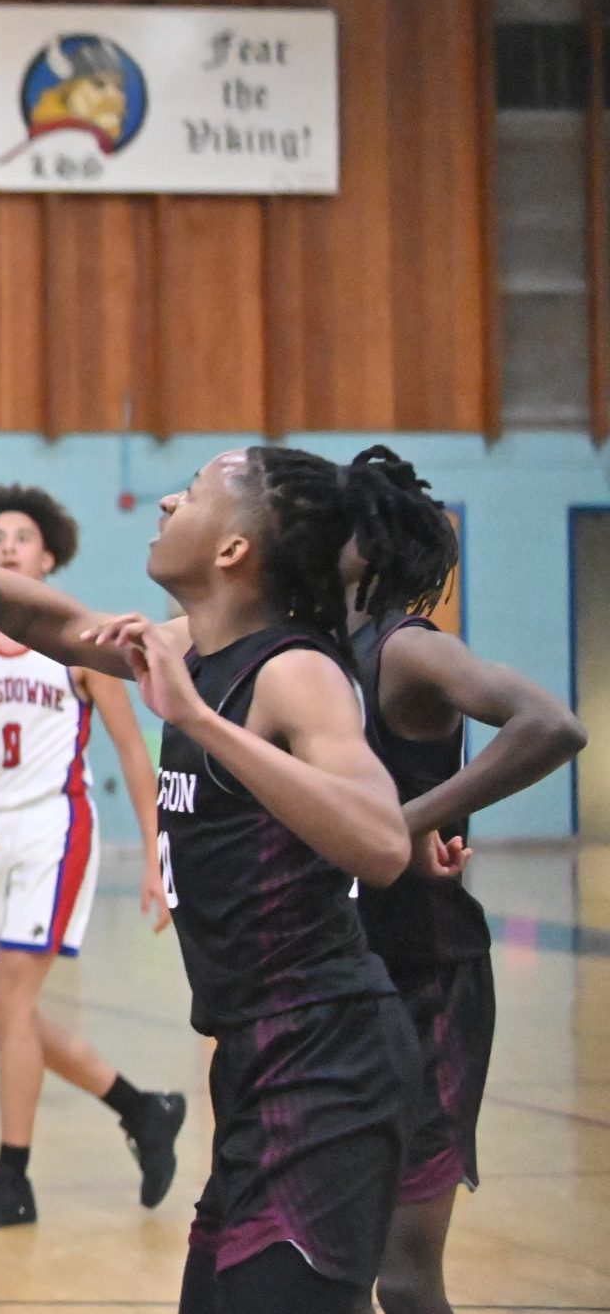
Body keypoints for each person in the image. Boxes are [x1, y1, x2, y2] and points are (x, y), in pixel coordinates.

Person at [0, 446, 420, 1314]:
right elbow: (50, 621)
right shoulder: (187, 644)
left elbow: (381, 840)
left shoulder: (295, 671)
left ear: (234, 551)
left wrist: (200, 723)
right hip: (255, 1062)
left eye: (201, 490)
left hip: (332, 1066)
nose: (172, 497)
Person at [339, 447, 584, 1314]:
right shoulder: (321, 653)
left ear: (366, 543)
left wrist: (404, 821)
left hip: (424, 976)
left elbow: (549, 724)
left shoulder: (405, 650)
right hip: (341, 979)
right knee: (335, 1263)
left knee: (403, 1276)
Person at [0, 485, 183, 1230]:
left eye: (21, 537)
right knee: (7, 1010)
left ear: (48, 554)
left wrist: (156, 854)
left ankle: (13, 1178)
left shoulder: (82, 639)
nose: (7, 546)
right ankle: (143, 1107)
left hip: (57, 824)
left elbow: (136, 752)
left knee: (12, 1002)